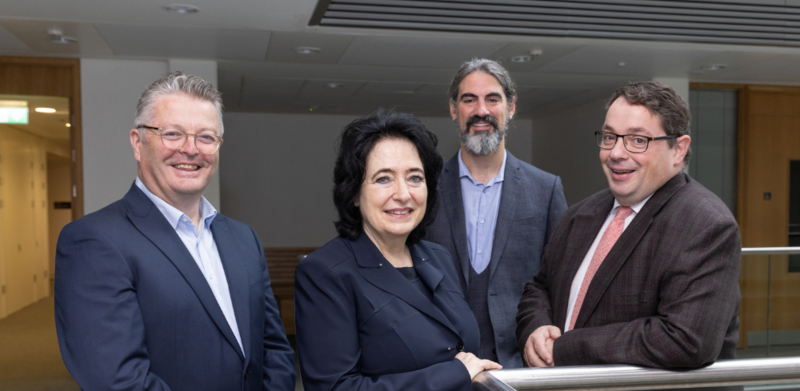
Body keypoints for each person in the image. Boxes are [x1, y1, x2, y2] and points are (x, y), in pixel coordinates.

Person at [55, 72, 296, 390]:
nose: (191, 149)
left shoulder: (243, 238)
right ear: (138, 143)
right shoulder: (93, 241)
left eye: (206, 137)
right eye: (172, 134)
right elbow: (119, 381)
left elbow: (275, 350)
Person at [516, 81, 741, 368]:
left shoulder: (707, 226)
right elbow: (539, 288)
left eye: (637, 140)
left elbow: (685, 340)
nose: (616, 153)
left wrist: (563, 348)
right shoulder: (579, 215)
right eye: (609, 137)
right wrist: (536, 329)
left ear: (678, 150)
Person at [294, 110, 501, 390]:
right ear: (354, 192)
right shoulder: (325, 273)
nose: (403, 194)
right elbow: (336, 388)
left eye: (415, 177)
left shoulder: (438, 257)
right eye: (383, 179)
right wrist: (454, 374)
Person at [426, 58, 568, 368]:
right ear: (453, 109)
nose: (481, 111)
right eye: (469, 100)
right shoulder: (423, 189)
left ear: (511, 106)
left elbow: (560, 280)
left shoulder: (546, 190)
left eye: (493, 99)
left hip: (520, 367)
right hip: (439, 366)